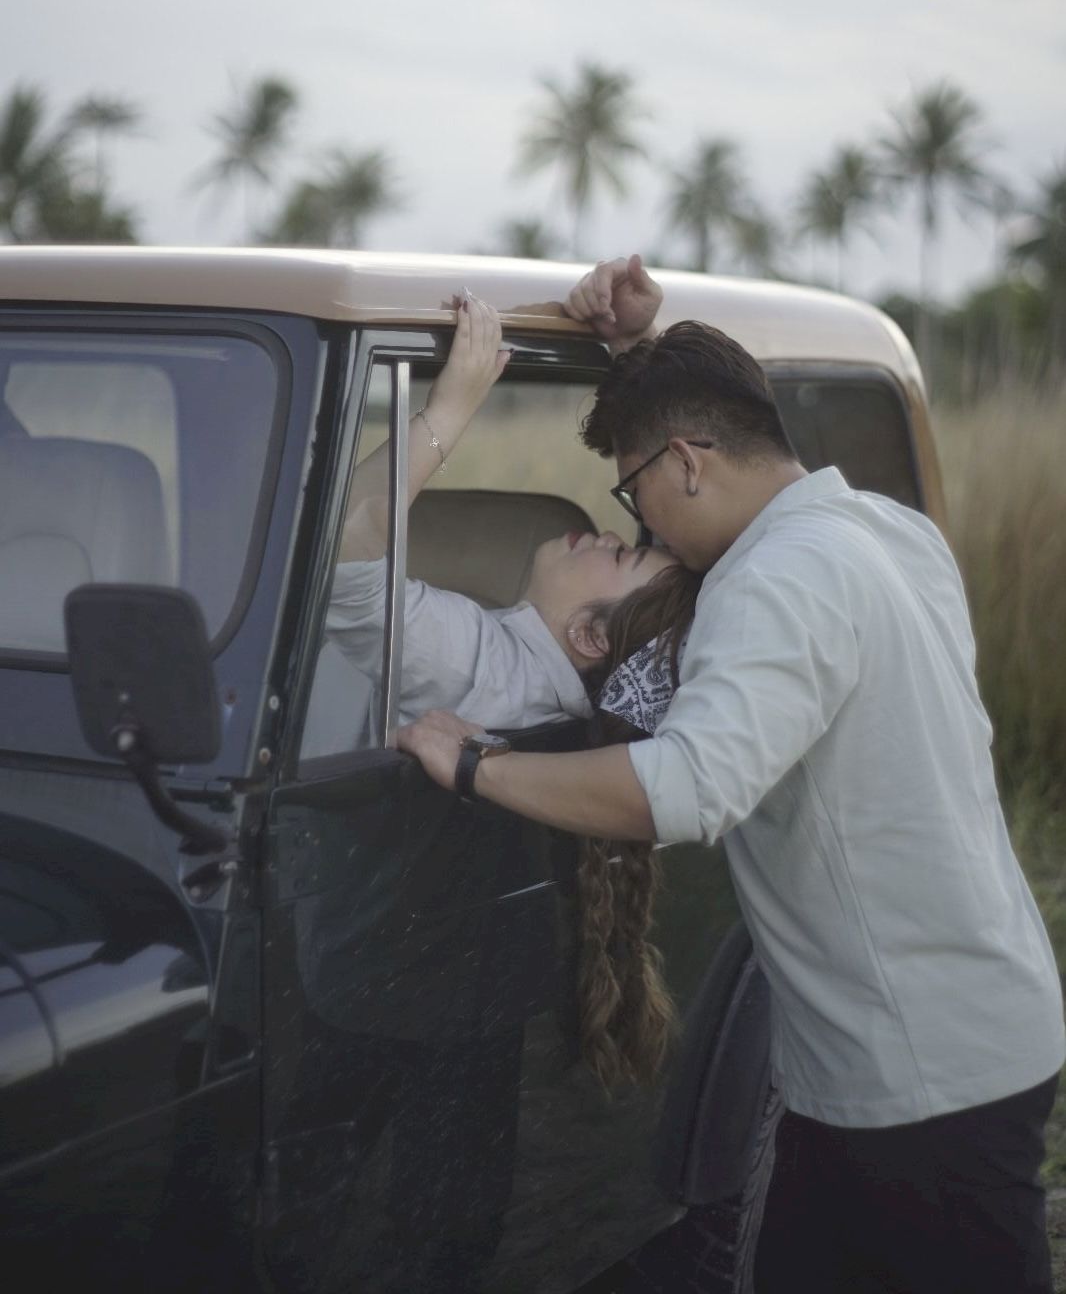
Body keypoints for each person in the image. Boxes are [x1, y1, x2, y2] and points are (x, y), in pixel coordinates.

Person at [396, 254, 1066, 1294]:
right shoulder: (886, 530)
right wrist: (638, 354)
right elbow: (702, 456)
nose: (645, 528)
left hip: (918, 1076)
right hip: (952, 1027)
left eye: (635, 492)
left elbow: (682, 788)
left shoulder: (773, 581)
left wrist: (477, 760)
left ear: (687, 463)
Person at [329, 288, 682, 732]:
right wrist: (633, 343)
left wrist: (450, 410)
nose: (611, 536)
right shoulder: (527, 685)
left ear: (589, 636)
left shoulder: (484, 673)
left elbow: (339, 555)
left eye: (622, 555)